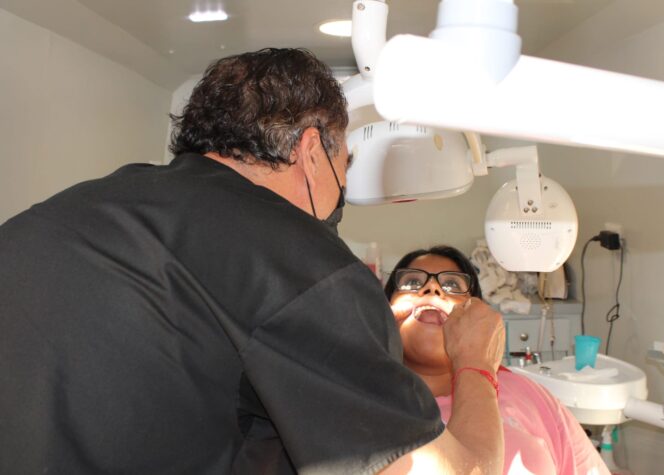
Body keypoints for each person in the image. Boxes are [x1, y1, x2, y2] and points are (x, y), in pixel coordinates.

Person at [0, 49, 505, 474]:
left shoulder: (69, 212)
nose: (342, 191)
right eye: (344, 168)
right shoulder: (304, 266)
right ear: (312, 151)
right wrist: (476, 365)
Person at [385, 245, 612, 475]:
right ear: (384, 312)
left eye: (452, 284)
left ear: (477, 315)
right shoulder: (370, 406)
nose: (432, 288)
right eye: (412, 283)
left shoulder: (531, 395)